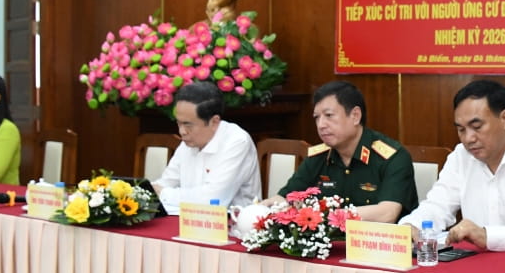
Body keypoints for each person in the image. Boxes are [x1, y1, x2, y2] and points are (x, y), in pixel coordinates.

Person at [401, 79, 505, 251]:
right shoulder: (461, 157)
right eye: (461, 129)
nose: (468, 138)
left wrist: (489, 236)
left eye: (477, 127)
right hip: (478, 263)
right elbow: (437, 206)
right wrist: (411, 225)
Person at [276, 80, 418, 222]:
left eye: (329, 115)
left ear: (355, 116)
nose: (321, 125)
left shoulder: (393, 158)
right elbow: (283, 198)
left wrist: (324, 216)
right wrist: (272, 208)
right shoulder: (318, 157)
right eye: (317, 117)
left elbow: (387, 214)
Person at [153, 80, 261, 215]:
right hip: (188, 219)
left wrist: (163, 193)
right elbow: (165, 183)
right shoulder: (188, 141)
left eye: (188, 125)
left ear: (214, 122)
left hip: (232, 223)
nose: (182, 131)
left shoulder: (237, 141)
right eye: (179, 123)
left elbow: (214, 200)